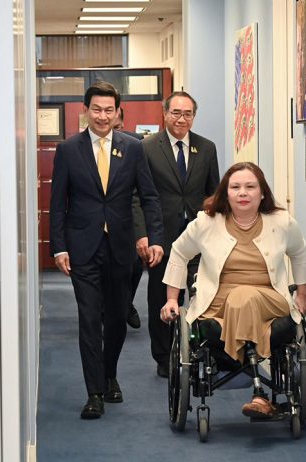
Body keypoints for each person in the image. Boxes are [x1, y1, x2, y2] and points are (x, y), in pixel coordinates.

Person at [49, 81, 164, 420]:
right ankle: (94, 393)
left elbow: (149, 197)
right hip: (82, 248)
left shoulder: (133, 148)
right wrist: (59, 247)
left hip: (120, 247)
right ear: (86, 111)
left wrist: (155, 237)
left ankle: (109, 373)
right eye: (96, 109)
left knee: (116, 319)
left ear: (117, 113)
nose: (102, 116)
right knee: (89, 319)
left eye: (108, 110)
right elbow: (58, 204)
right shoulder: (68, 150)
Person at [160, 162, 306, 418]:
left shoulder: (281, 222)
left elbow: (299, 253)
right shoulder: (206, 222)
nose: (243, 193)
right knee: (238, 300)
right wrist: (172, 299)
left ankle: (245, 377)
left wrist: (302, 295)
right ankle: (254, 382)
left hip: (270, 301)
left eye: (250, 187)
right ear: (225, 192)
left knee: (243, 296)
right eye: (235, 187)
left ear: (262, 192)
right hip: (216, 304)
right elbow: (179, 252)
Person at [133, 91, 220, 378]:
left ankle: (201, 352)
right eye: (176, 113)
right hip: (162, 237)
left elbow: (213, 194)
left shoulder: (206, 148)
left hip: (199, 236)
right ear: (165, 113)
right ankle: (164, 357)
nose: (182, 119)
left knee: (202, 295)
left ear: (194, 116)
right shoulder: (146, 147)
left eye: (188, 114)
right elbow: (137, 196)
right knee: (162, 296)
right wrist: (144, 235)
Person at [113, 106, 144, 329]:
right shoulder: (86, 146)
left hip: (130, 217)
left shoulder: (135, 144)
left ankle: (126, 303)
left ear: (122, 124)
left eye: (115, 126)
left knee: (134, 267)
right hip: (100, 222)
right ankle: (107, 311)